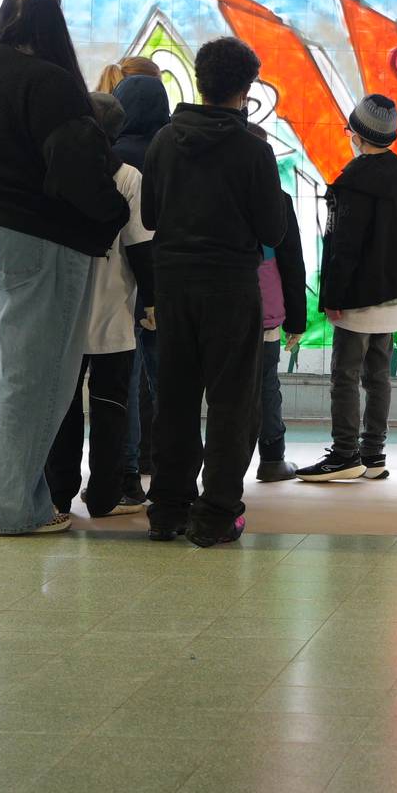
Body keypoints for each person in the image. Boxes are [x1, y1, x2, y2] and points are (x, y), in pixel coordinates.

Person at [0, 0, 128, 536]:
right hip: (34, 238)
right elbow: (74, 167)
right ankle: (12, 510)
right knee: (36, 377)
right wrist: (112, 214)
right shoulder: (52, 82)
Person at [142, 37, 287, 546]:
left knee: (175, 396)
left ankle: (167, 510)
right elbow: (273, 227)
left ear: (200, 82)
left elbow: (150, 217)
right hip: (229, 284)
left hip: (174, 283)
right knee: (232, 401)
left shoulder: (163, 141)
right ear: (245, 89)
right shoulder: (252, 148)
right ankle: (216, 515)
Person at [45, 92, 155, 519]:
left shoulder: (56, 168)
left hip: (61, 313)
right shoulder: (127, 176)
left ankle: (58, 493)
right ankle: (106, 495)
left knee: (64, 407)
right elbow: (141, 247)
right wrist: (153, 300)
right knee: (111, 406)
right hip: (113, 312)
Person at [298, 95, 397, 483]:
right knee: (378, 374)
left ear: (359, 135)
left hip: (357, 294)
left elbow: (343, 246)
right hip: (391, 290)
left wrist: (332, 296)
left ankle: (344, 453)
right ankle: (373, 453)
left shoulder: (352, 182)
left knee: (345, 374)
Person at [110, 71, 172, 509]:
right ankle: (171, 474)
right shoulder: (172, 154)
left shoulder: (110, 156)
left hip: (121, 285)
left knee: (126, 386)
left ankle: (128, 477)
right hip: (170, 282)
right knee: (169, 382)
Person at [252, 126, 307, 483]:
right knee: (266, 381)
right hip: (266, 309)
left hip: (218, 308)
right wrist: (296, 321)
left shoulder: (213, 194)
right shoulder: (279, 199)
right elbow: (292, 262)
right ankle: (272, 457)